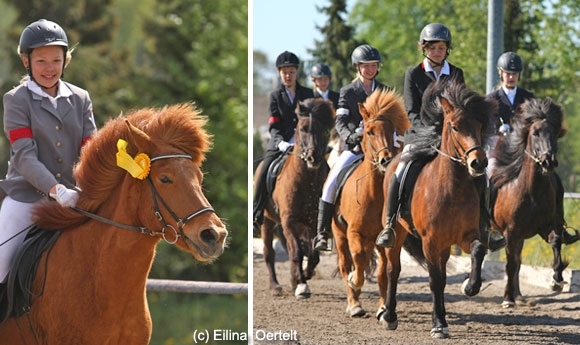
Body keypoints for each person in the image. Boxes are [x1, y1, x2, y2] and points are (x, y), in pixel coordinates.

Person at [376, 23, 506, 251]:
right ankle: (389, 223)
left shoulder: (456, 73)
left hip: (452, 138)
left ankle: (486, 225)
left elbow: (462, 108)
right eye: (433, 48)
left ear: (447, 49)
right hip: (420, 135)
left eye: (441, 48)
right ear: (424, 49)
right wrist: (429, 132)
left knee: (481, 174)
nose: (437, 52)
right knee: (400, 169)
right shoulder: (413, 74)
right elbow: (412, 111)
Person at [0, 19, 97, 283]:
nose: (49, 68)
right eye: (41, 61)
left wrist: (86, 188)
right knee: (0, 262)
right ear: (26, 62)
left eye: (56, 60)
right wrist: (56, 190)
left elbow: (90, 149)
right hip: (26, 198)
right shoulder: (16, 100)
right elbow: (24, 156)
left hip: (76, 198)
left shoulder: (80, 98)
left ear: (66, 61)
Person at [487, 52, 578, 244]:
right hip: (501, 149)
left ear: (519, 75)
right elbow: (486, 126)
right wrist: (498, 130)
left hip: (523, 150)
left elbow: (536, 125)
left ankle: (559, 224)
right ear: (500, 74)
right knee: (488, 175)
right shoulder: (491, 99)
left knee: (553, 178)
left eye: (514, 73)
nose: (511, 77)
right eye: (507, 73)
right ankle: (486, 222)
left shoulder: (528, 98)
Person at [313, 44, 391, 251]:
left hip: (382, 147)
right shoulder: (348, 92)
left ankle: (399, 226)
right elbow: (340, 122)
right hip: (356, 148)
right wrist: (351, 137)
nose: (370, 70)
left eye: (374, 66)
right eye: (366, 66)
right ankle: (322, 233)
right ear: (357, 67)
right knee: (330, 182)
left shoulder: (385, 91)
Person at [253, 51, 314, 232]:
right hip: (281, 143)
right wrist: (280, 142)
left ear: (297, 73)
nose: (288, 76)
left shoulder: (308, 93)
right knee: (264, 170)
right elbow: (274, 124)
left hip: (305, 141)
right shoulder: (275, 96)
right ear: (280, 73)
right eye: (284, 72)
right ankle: (256, 213)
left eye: (291, 72)